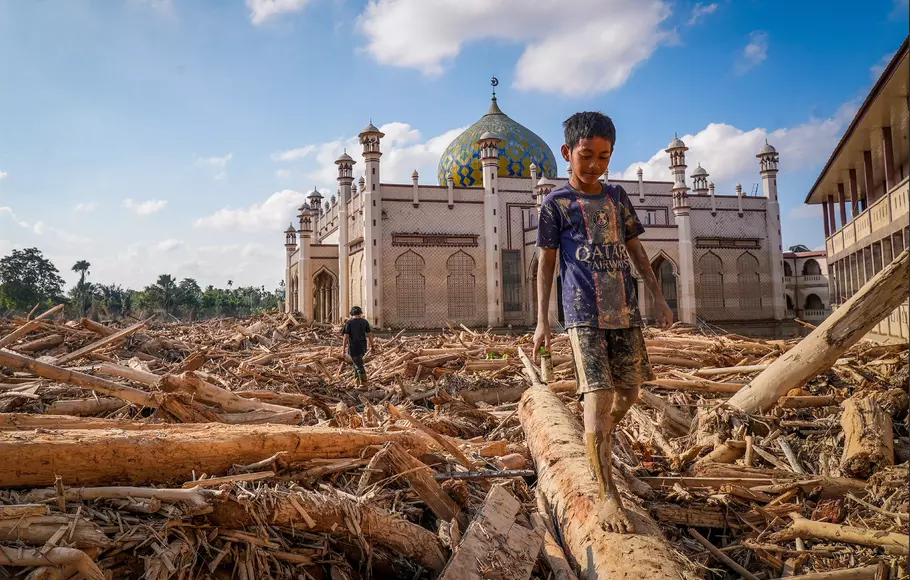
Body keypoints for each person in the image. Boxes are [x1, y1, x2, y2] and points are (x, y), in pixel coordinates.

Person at [532, 111, 674, 534]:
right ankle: (608, 496)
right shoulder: (555, 204)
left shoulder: (617, 198)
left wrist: (659, 301)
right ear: (567, 153)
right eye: (586, 155)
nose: (595, 164)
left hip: (624, 311)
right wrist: (543, 322)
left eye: (604, 156)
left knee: (628, 392)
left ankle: (596, 436)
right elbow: (546, 266)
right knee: (598, 397)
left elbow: (637, 252)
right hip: (584, 314)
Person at [341, 306, 375, 386]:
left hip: (354, 347)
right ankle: (357, 382)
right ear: (360, 313)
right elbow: (370, 335)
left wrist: (343, 349)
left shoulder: (349, 323)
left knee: (359, 365)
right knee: (356, 364)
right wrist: (372, 346)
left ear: (352, 314)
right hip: (363, 346)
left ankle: (363, 384)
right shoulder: (365, 322)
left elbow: (346, 337)